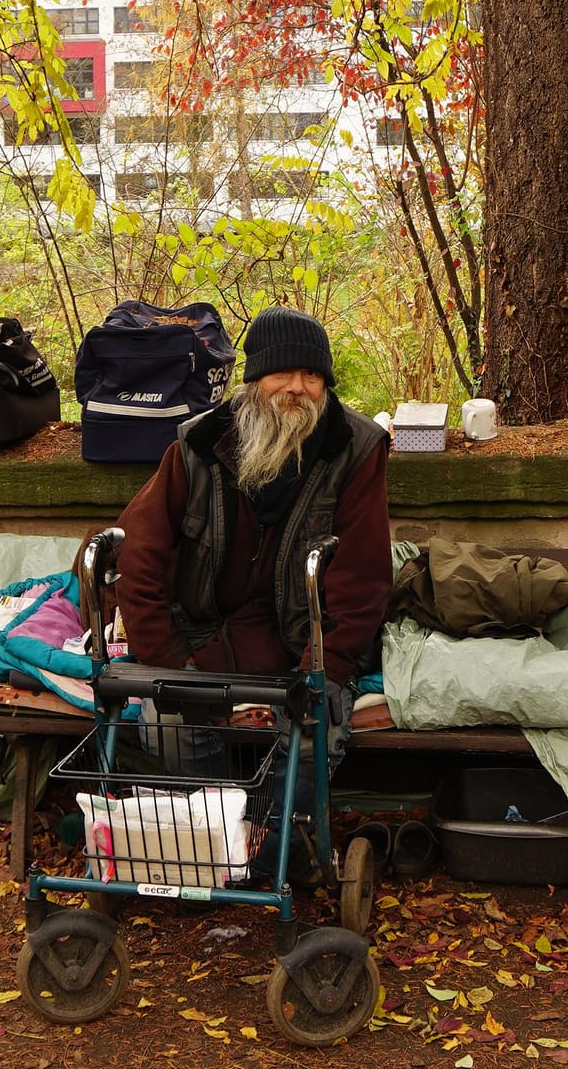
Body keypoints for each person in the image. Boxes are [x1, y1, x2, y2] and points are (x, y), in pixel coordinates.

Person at [111, 306, 393, 869]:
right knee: (166, 724)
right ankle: (222, 843)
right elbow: (138, 552)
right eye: (282, 374)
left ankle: (266, 849)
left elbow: (362, 578)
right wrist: (170, 659)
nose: (297, 389)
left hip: (301, 646)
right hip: (205, 643)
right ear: (253, 381)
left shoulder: (356, 447)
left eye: (312, 376)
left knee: (316, 732)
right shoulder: (199, 443)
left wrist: (324, 667)